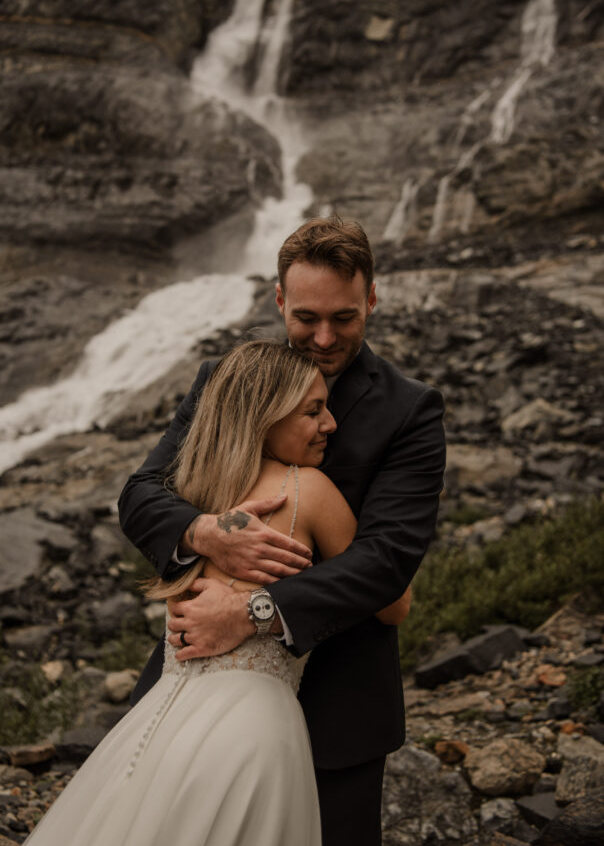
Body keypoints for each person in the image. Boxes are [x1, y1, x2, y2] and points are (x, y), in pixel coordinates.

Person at [119, 216, 446, 845]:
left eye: (344, 318)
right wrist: (207, 533)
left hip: (340, 704)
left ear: (372, 299)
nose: (323, 337)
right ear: (278, 300)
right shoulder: (227, 379)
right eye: (306, 317)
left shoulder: (409, 410)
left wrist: (254, 611)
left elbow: (387, 561)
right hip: (198, 679)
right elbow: (141, 493)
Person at [24, 341, 407, 846]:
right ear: (266, 417)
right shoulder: (308, 490)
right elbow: (394, 603)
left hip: (161, 725)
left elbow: (139, 496)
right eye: (313, 411)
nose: (330, 423)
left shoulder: (195, 493)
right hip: (252, 729)